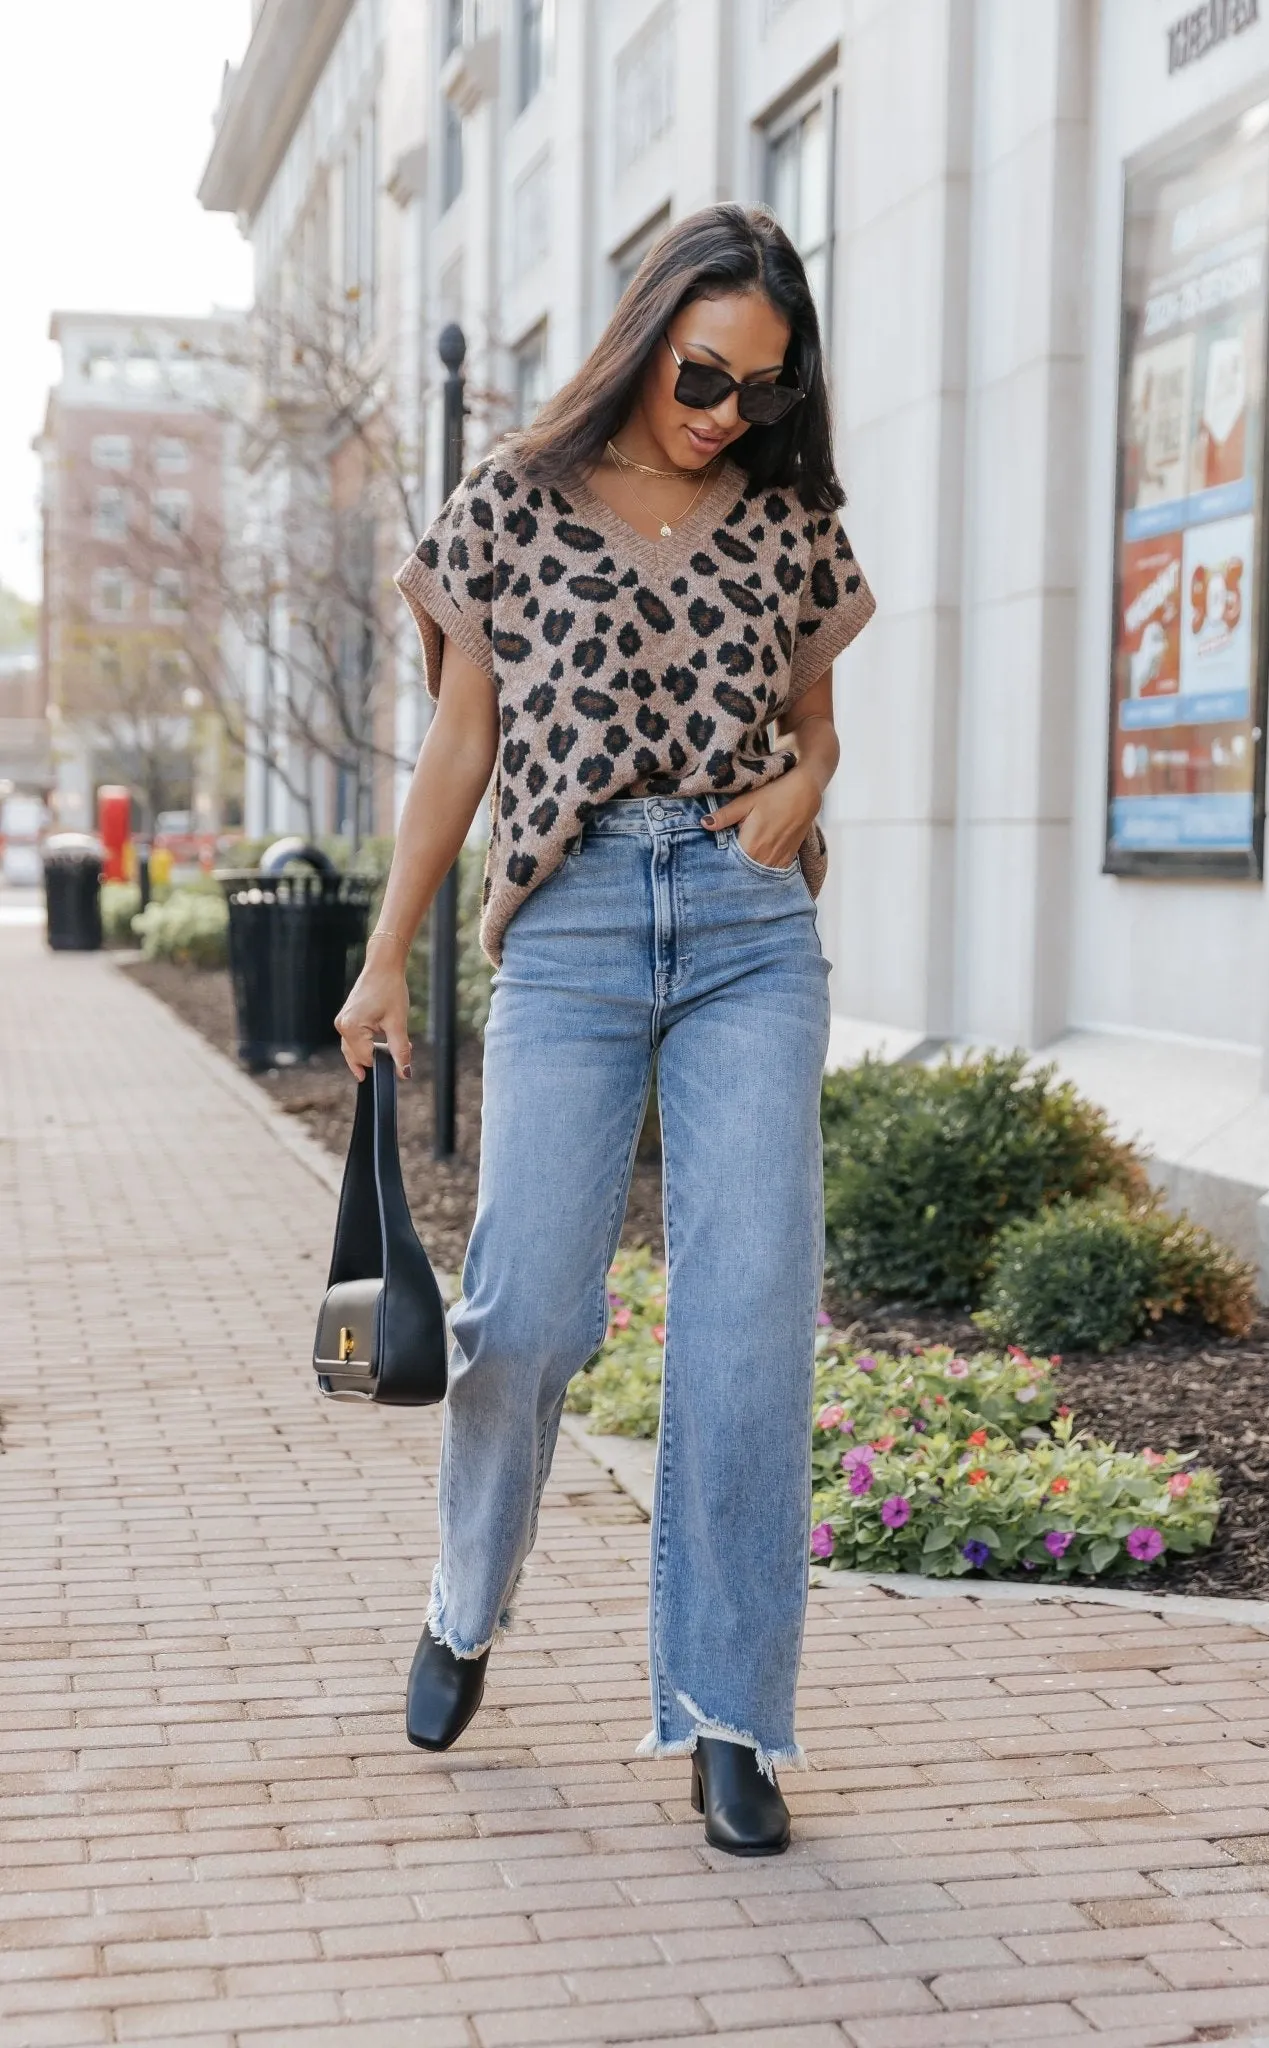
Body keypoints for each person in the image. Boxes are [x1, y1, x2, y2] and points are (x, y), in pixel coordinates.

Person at [336, 203, 875, 1857]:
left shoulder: (783, 513)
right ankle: (463, 1603)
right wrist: (379, 964)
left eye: (762, 392)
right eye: (706, 374)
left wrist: (803, 788)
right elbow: (455, 753)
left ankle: (729, 1713)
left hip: (746, 932)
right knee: (525, 1314)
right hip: (566, 935)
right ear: (648, 333)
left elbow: (818, 727)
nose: (725, 413)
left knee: (746, 1329)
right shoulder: (508, 499)